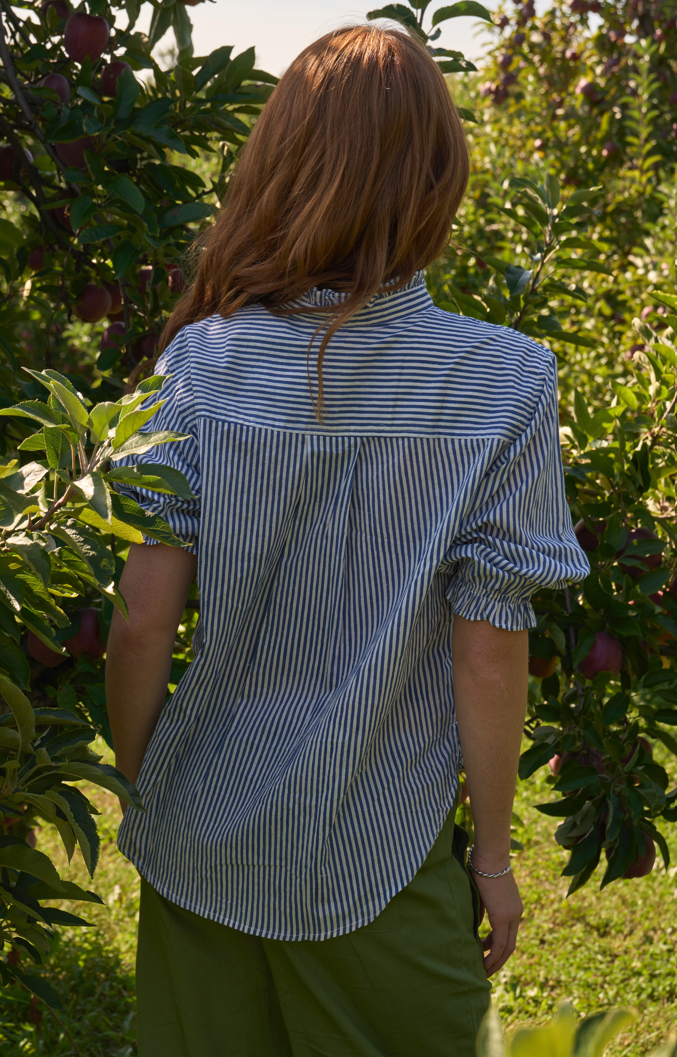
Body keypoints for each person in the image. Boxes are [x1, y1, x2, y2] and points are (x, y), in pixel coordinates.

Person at [105, 22, 590, 1057]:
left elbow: (141, 619)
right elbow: (486, 648)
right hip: (377, 855)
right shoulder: (504, 382)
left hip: (198, 836)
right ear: (435, 179)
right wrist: (491, 857)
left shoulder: (200, 362)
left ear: (281, 166)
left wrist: (144, 790)